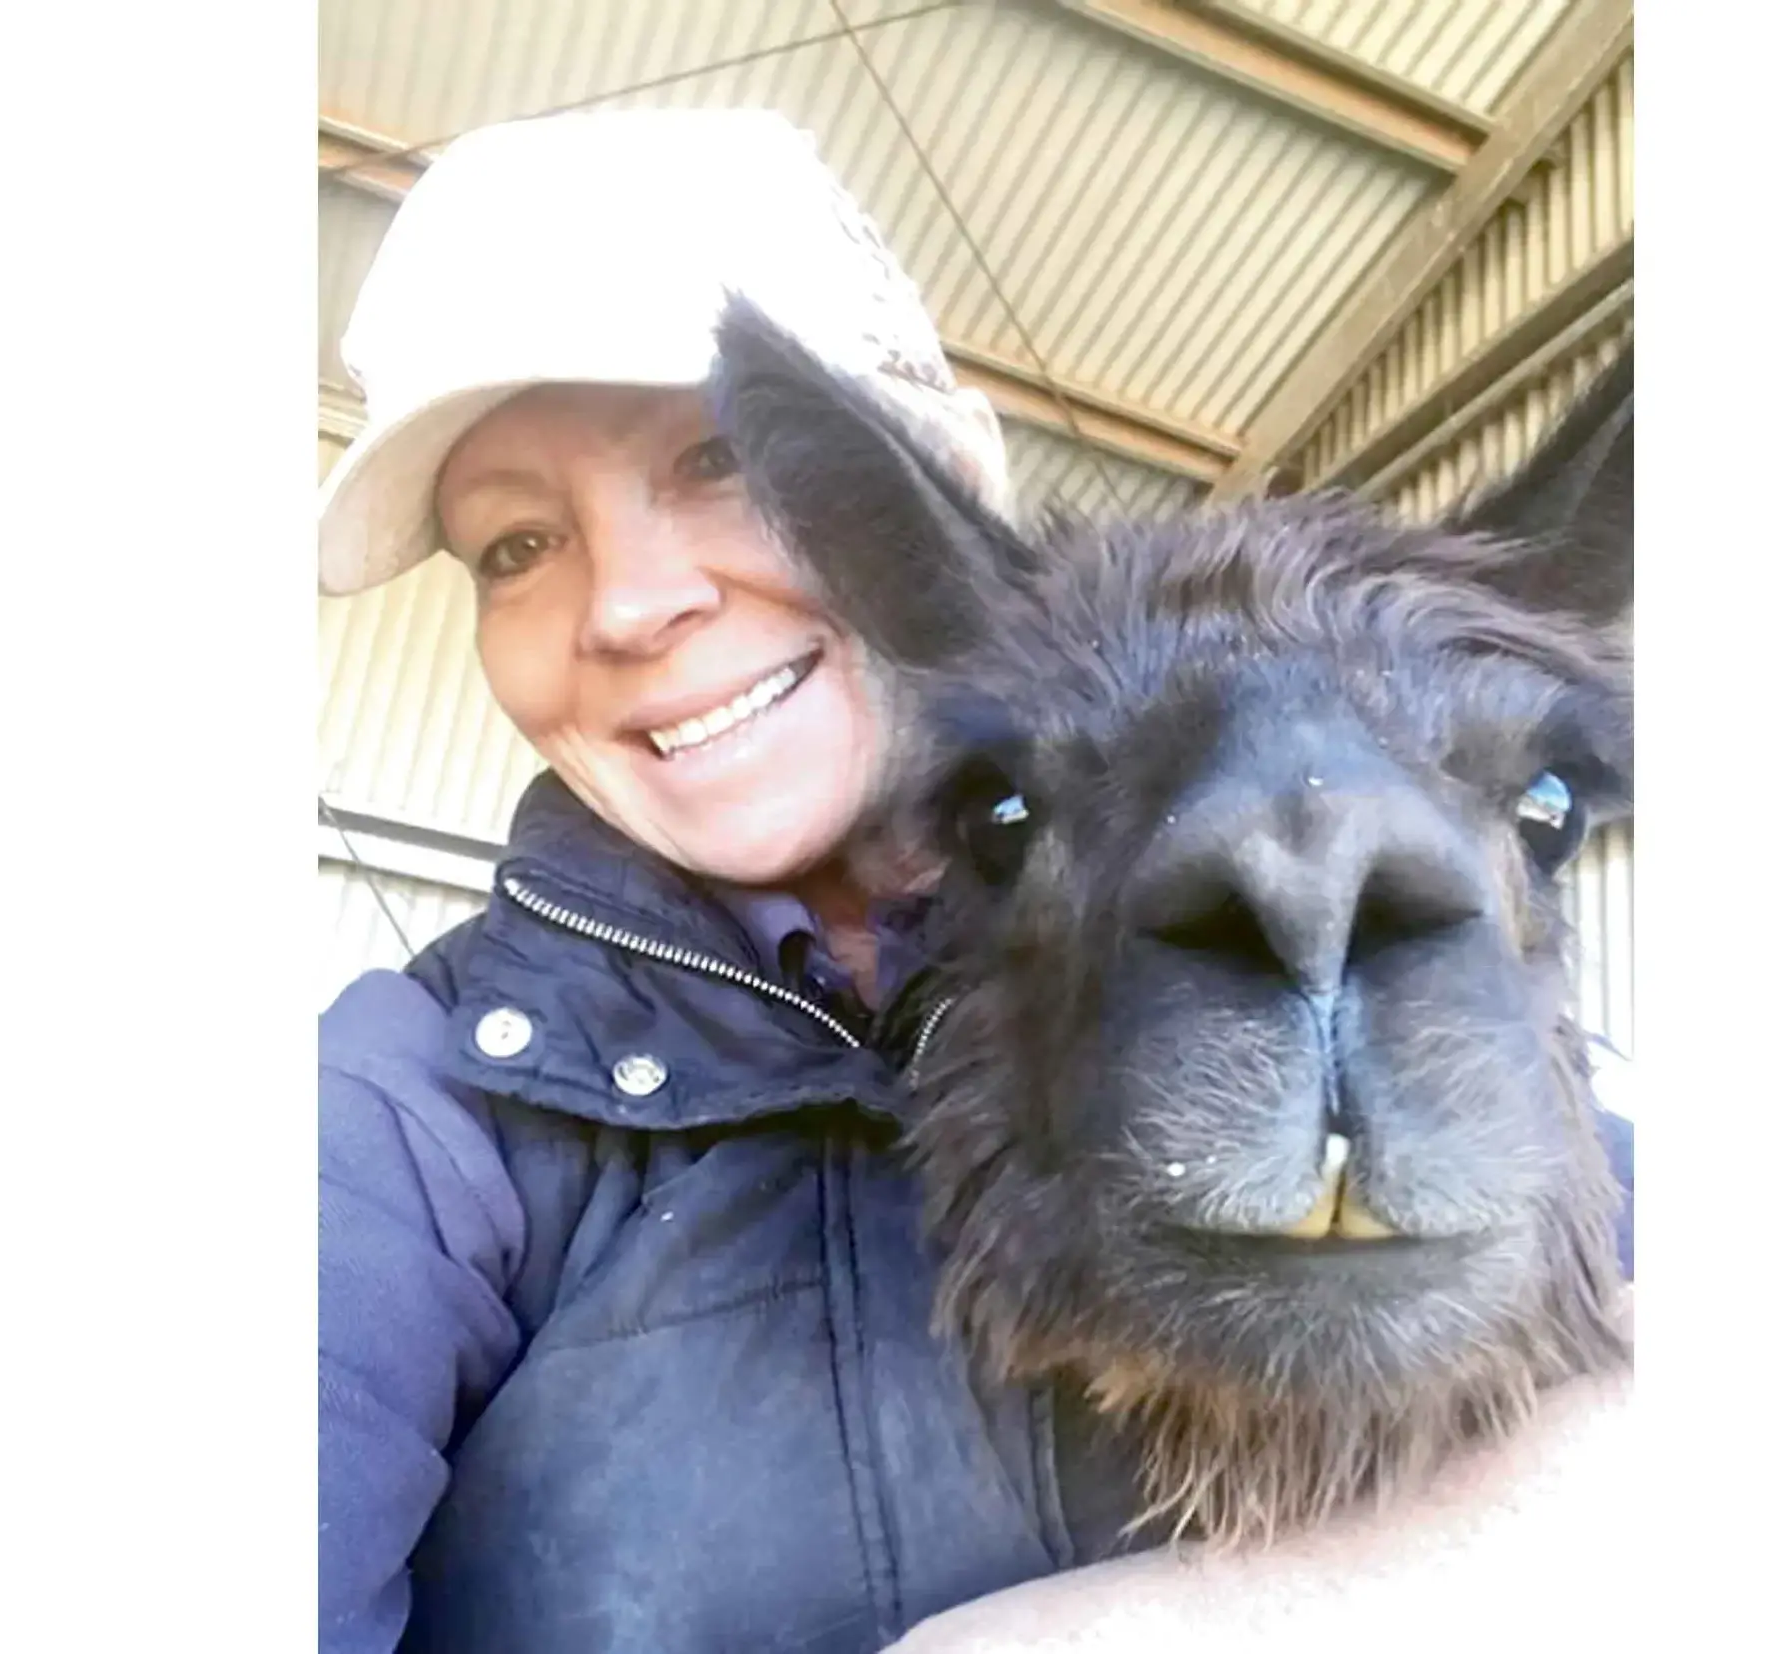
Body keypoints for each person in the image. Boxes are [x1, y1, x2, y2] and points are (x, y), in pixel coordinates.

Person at [317, 107, 1635, 1654]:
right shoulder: (410, 1118)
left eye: (726, 461)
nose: (629, 602)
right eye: (516, 543)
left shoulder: (1562, 1111)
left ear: (911, 502)